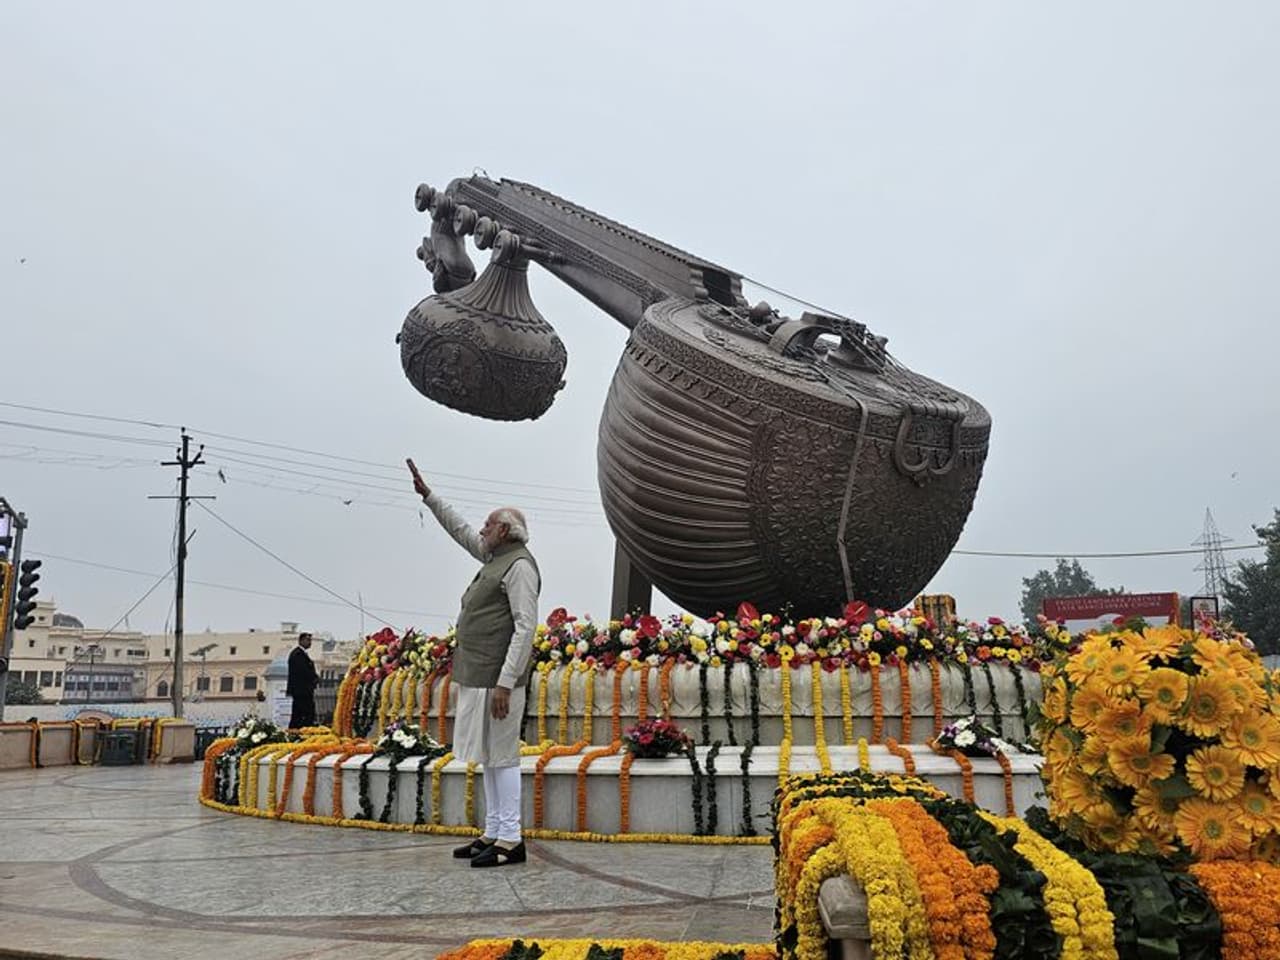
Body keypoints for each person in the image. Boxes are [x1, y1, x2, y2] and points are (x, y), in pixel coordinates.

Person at [411, 461, 539, 868]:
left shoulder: (519, 566)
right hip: (480, 676)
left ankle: (511, 839)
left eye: (489, 525)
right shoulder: (493, 557)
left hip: (498, 681)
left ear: (505, 531)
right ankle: (494, 832)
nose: (481, 529)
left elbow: (525, 626)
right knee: (488, 755)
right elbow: (461, 530)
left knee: (503, 756)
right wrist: (429, 497)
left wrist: (505, 682)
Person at [287, 631, 318, 728]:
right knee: (302, 714)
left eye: (310, 640)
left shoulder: (302, 654)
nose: (310, 643)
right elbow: (303, 671)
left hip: (304, 690)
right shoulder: (297, 654)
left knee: (301, 714)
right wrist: (314, 678)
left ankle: (300, 731)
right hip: (301, 690)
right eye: (308, 640)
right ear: (301, 641)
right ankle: (300, 732)